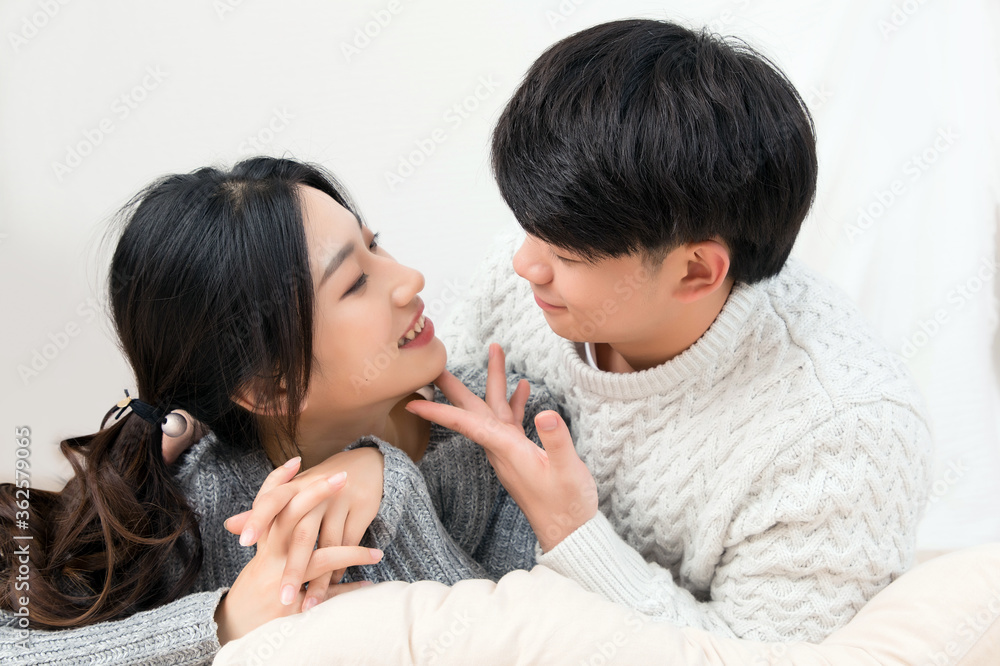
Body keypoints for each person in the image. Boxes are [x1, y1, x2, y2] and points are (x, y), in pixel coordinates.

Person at [409, 18, 933, 642]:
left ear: (696, 270)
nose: (524, 263)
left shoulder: (845, 436)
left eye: (568, 255)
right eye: (529, 228)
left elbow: (757, 659)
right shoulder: (522, 287)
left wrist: (572, 530)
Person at [0, 157, 552, 664]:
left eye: (374, 245)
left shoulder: (506, 427)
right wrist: (223, 624)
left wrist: (392, 490)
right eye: (355, 282)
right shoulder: (206, 515)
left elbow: (528, 645)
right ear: (269, 390)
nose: (410, 279)